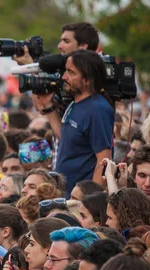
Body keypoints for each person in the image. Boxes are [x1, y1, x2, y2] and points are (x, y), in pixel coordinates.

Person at [36, 50, 114, 196]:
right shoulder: (76, 103)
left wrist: (90, 200)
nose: (64, 77)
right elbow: (66, 139)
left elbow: (104, 159)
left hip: (80, 200)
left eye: (71, 72)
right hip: (67, 195)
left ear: (88, 80)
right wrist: (48, 106)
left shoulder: (97, 109)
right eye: (65, 71)